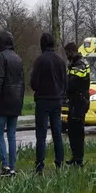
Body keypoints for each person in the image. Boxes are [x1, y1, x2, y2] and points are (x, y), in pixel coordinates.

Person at [30, 32, 67, 173]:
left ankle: (40, 165)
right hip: (57, 100)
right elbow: (65, 82)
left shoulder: (40, 61)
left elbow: (34, 83)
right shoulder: (61, 61)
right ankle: (59, 162)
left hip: (43, 100)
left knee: (41, 134)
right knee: (57, 132)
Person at [0, 31, 25, 178]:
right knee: (12, 135)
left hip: (4, 101)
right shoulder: (18, 58)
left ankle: (4, 165)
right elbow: (22, 83)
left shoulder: (2, 57)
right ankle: (12, 168)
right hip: (16, 102)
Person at [64, 42, 90, 167]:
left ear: (71, 51)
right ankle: (75, 157)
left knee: (77, 131)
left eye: (67, 53)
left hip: (78, 102)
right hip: (77, 101)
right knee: (72, 130)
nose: (66, 56)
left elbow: (71, 84)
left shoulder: (79, 65)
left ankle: (78, 159)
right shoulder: (79, 63)